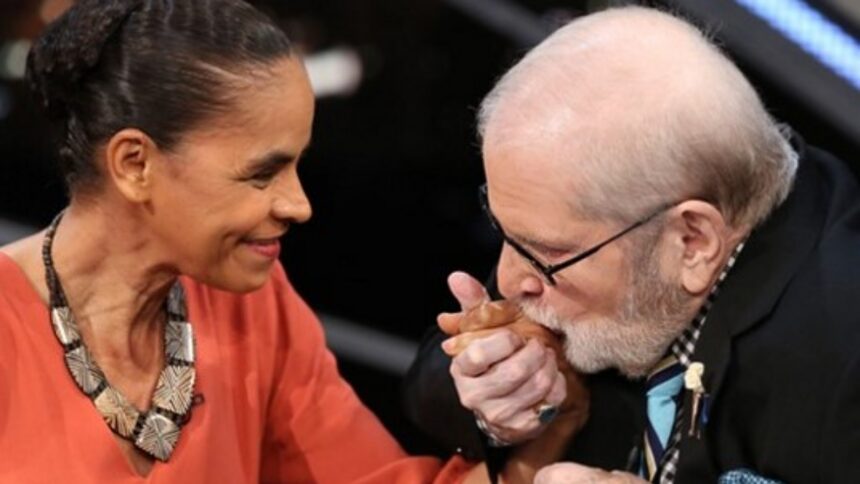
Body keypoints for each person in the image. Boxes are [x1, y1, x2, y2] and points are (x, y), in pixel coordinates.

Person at [0, 1, 567, 482]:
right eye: (261, 174)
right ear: (135, 163)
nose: (299, 204)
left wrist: (549, 395)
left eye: (297, 167)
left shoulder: (254, 307)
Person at [404, 6, 860, 483]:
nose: (510, 281)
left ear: (693, 241)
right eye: (501, 231)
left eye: (547, 253)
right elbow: (430, 383)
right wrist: (500, 393)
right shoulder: (588, 230)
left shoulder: (844, 359)